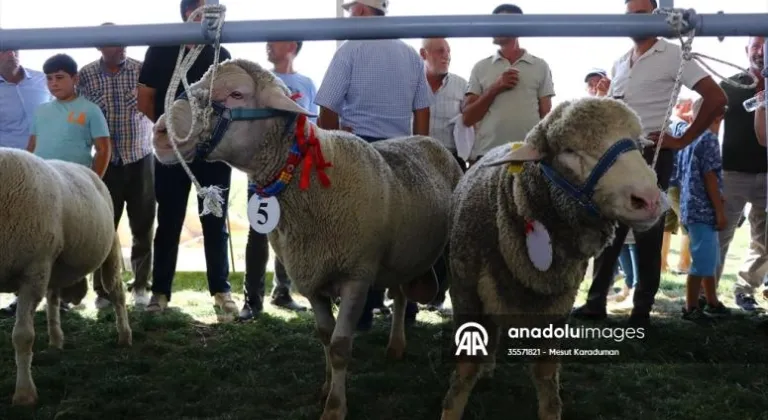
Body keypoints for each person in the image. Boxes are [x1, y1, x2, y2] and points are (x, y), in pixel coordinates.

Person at [571, 0, 728, 328]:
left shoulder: (672, 54)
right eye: (629, 15)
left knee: (647, 233)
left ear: (656, 16)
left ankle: (641, 311)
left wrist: (682, 140)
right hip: (615, 160)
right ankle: (594, 303)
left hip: (651, 157)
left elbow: (717, 97)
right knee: (610, 230)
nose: (633, 20)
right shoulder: (619, 63)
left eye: (640, 14)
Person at [314, 0, 433, 331]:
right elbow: (422, 109)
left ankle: (361, 311)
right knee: (403, 229)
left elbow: (326, 105)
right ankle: (405, 307)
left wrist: (335, 139)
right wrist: (418, 149)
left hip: (359, 153)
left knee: (357, 234)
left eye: (352, 10)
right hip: (400, 152)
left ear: (363, 12)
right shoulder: (410, 54)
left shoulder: (349, 50)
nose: (350, 15)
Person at [137, 0, 237, 320]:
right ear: (189, 13)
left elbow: (229, 105)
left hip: (212, 151)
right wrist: (173, 132)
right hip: (172, 151)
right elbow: (145, 99)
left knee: (215, 220)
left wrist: (204, 136)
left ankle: (221, 291)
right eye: (205, 8)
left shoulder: (220, 53)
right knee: (169, 221)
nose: (212, 13)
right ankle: (161, 292)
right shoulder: (161, 48)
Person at [78, 22, 156, 310]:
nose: (121, 45)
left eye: (123, 40)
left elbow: (156, 107)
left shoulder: (141, 69)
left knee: (143, 226)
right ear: (99, 46)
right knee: (103, 227)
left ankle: (140, 287)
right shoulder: (85, 75)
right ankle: (103, 290)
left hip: (141, 159)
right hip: (104, 163)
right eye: (113, 41)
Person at [240, 40, 315, 320]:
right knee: (258, 233)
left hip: (294, 176)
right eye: (268, 40)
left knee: (292, 234)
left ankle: (283, 292)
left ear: (293, 46)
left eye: (276, 41)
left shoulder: (306, 84)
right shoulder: (256, 85)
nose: (268, 45)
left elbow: (313, 127)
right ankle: (252, 300)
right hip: (260, 175)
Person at [462, 3, 555, 167]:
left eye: (497, 22)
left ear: (516, 25)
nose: (492, 28)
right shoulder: (480, 67)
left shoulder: (540, 66)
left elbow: (546, 116)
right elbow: (468, 118)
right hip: (488, 156)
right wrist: (495, 87)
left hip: (529, 154)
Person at [715, 36, 768, 312]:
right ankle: (706, 293)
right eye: (756, 45)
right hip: (732, 173)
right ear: (746, 50)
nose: (760, 51)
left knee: (765, 241)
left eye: (765, 45)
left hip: (767, 174)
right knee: (720, 235)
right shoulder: (730, 84)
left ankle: (746, 291)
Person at [0, 48, 52, 317]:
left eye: (14, 48)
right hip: (5, 177)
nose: (11, 54)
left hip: (43, 173)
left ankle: (50, 297)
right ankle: (14, 295)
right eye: (4, 49)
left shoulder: (43, 79)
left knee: (42, 235)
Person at [419, 37, 468, 315]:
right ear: (423, 54)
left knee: (451, 230)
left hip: (452, 163)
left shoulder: (463, 86)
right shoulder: (411, 84)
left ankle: (441, 294)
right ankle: (414, 292)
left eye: (448, 51)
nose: (446, 56)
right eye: (439, 51)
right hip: (417, 161)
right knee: (418, 226)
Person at [675, 98, 730, 320]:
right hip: (704, 210)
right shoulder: (709, 140)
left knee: (710, 257)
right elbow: (710, 177)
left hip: (690, 208)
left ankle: (712, 300)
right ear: (718, 116)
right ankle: (691, 307)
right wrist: (719, 210)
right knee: (702, 261)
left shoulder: (688, 139)